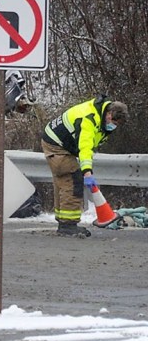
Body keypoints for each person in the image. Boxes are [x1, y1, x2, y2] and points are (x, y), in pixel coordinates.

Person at [41, 97, 128, 237]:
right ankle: (68, 225)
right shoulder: (90, 119)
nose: (113, 126)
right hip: (56, 145)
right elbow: (85, 147)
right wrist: (87, 172)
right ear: (109, 114)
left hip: (57, 142)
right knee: (72, 178)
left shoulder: (101, 116)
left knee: (63, 180)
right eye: (113, 122)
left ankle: (64, 222)